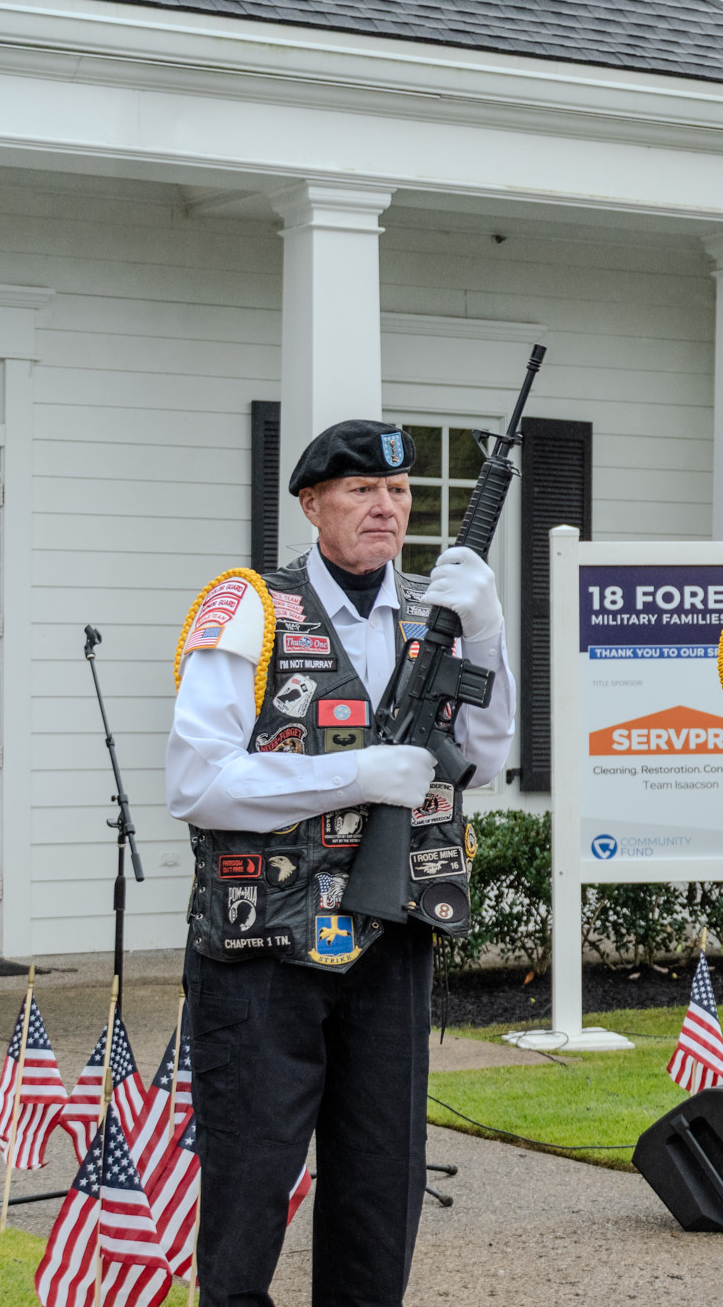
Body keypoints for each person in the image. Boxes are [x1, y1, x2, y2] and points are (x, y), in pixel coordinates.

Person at [165, 420, 515, 1306]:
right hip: (263, 950)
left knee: (378, 1199)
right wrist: (354, 774)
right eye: (361, 490)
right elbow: (197, 781)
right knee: (246, 1203)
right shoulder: (247, 604)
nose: (385, 507)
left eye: (400, 493)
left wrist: (489, 630)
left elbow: (486, 754)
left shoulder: (435, 619)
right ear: (311, 503)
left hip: (391, 939)